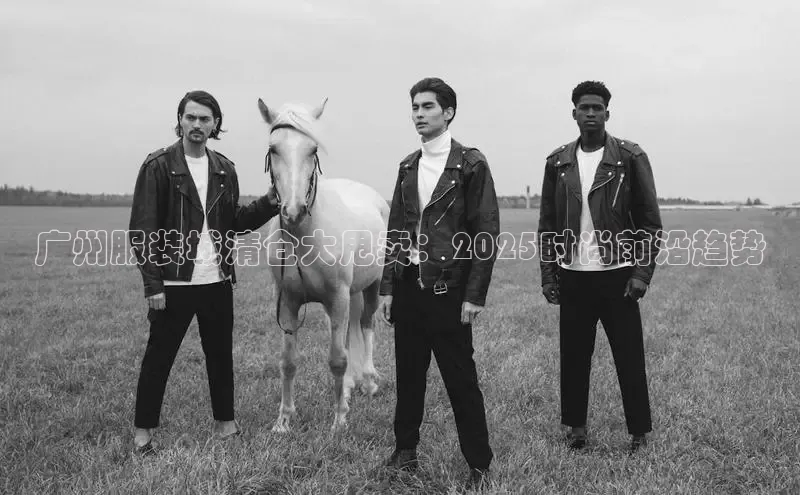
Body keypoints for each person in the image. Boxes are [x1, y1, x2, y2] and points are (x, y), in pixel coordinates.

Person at [128, 90, 279, 454]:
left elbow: (234, 222)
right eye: (190, 117)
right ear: (180, 120)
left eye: (205, 119)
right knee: (159, 358)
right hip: (174, 282)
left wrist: (269, 203)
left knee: (220, 357)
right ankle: (143, 433)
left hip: (217, 281)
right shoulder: (158, 166)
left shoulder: (224, 168)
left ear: (215, 125)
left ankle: (226, 425)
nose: (197, 124)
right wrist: (153, 284)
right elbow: (142, 229)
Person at [377, 77, 499, 489]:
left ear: (448, 113)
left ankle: (479, 464)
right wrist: (388, 287)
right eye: (414, 107)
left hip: (449, 290)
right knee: (409, 376)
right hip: (409, 285)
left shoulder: (471, 164)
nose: (419, 114)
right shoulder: (408, 166)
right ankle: (404, 452)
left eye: (427, 106)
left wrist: (474, 295)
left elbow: (486, 231)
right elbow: (397, 230)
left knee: (461, 380)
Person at [537, 81, 663, 454]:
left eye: (597, 107)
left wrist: (641, 274)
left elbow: (650, 222)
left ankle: (638, 433)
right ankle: (576, 429)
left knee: (629, 357)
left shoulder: (629, 157)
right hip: (573, 275)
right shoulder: (558, 162)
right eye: (584, 107)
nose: (590, 113)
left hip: (618, 274)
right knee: (574, 356)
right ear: (573, 113)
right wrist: (549, 274)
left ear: (607, 113)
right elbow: (547, 224)